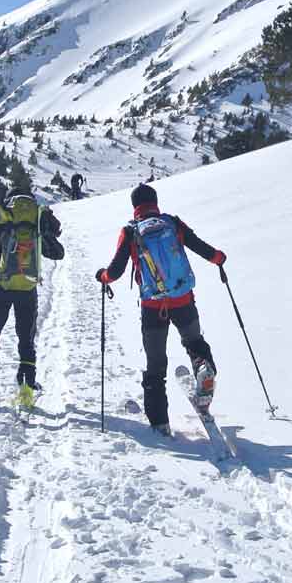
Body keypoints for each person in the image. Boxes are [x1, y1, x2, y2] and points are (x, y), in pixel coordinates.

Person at [95, 183, 225, 434]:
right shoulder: (172, 223)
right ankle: (202, 368)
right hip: (183, 299)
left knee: (155, 363)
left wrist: (103, 277)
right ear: (155, 202)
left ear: (135, 207)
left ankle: (160, 423)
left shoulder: (131, 231)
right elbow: (199, 246)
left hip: (153, 306)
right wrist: (218, 258)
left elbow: (116, 270)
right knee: (194, 341)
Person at [0, 190, 64, 409]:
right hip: (28, 286)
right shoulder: (39, 216)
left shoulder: (1, 213)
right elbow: (56, 251)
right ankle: (26, 390)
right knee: (26, 340)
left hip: (1, 285)